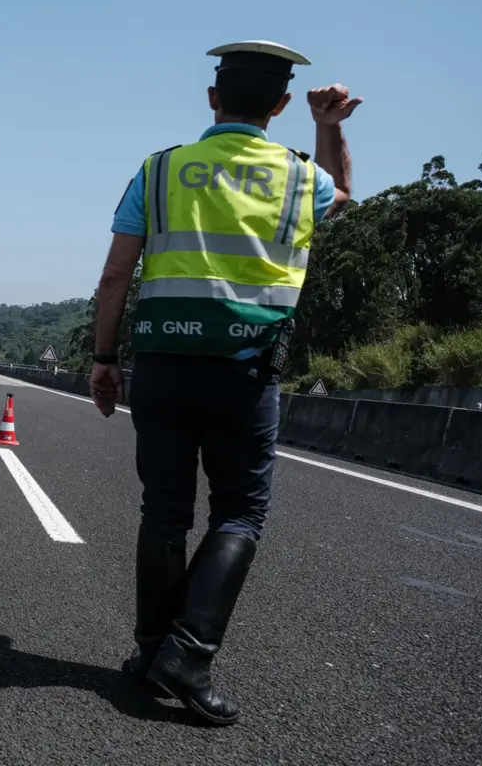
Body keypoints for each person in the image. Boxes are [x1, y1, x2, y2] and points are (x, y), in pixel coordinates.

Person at [89, 40, 360, 726]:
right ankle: (189, 651)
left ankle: (152, 652)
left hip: (161, 365)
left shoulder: (159, 170)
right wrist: (328, 129)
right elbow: (345, 199)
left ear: (213, 98)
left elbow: (116, 275)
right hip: (244, 370)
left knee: (164, 510)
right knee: (238, 513)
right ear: (279, 104)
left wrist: (103, 359)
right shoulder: (301, 177)